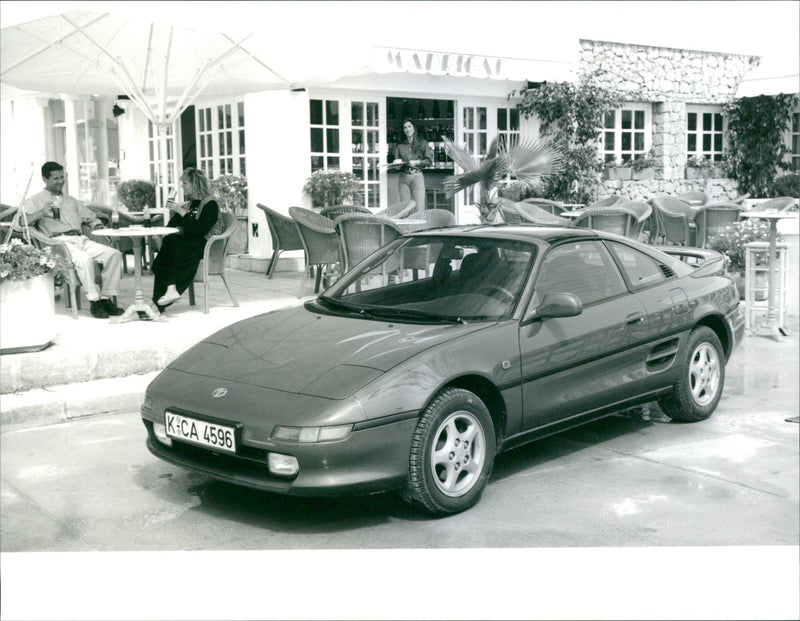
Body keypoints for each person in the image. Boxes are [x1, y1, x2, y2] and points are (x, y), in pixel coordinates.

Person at [23, 161, 124, 319]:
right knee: (84, 259)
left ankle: (106, 298)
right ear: (45, 179)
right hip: (58, 243)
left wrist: (101, 228)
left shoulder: (71, 200)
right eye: (56, 178)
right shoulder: (35, 200)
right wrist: (41, 212)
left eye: (62, 177)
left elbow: (91, 218)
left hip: (80, 239)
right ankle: (94, 301)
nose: (60, 181)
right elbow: (21, 223)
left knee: (114, 254)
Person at [150, 167, 221, 313]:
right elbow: (171, 227)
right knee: (169, 245)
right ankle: (168, 292)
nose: (182, 186)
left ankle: (158, 304)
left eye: (185, 183)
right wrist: (175, 214)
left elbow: (200, 230)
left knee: (168, 250)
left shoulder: (210, 204)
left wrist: (181, 211)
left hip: (204, 245)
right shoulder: (189, 204)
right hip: (187, 244)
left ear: (195, 183)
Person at [392, 118, 432, 213]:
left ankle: (419, 223)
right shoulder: (400, 146)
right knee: (405, 209)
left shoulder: (423, 143)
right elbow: (397, 164)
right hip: (403, 178)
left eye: (409, 126)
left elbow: (429, 162)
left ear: (414, 127)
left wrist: (417, 162)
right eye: (405, 127)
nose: (407, 129)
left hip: (417, 177)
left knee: (419, 208)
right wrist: (396, 165)